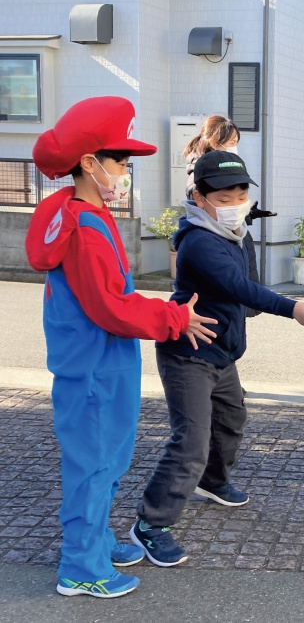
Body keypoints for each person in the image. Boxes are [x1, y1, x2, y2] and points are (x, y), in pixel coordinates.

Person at [24, 96, 218, 598]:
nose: (126, 171)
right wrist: (175, 317)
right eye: (121, 160)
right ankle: (81, 568)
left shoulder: (82, 212)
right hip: (96, 367)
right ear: (89, 163)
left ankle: (96, 542)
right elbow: (111, 306)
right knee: (94, 467)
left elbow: (109, 301)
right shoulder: (87, 227)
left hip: (98, 362)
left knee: (106, 463)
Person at [131, 151, 304, 566]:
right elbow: (241, 287)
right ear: (200, 198)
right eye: (223, 196)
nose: (235, 203)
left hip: (221, 354)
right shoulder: (200, 241)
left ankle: (212, 481)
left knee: (231, 421)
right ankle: (151, 523)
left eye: (241, 194)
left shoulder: (232, 231)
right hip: (188, 356)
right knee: (191, 442)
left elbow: (246, 283)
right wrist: (292, 308)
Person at [183, 114, 275, 308]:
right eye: (232, 142)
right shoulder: (200, 172)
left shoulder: (226, 166)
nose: (235, 147)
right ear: (215, 142)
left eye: (241, 198)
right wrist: (292, 308)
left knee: (239, 303)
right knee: (233, 294)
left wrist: (248, 212)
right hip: (222, 239)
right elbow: (207, 211)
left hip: (234, 237)